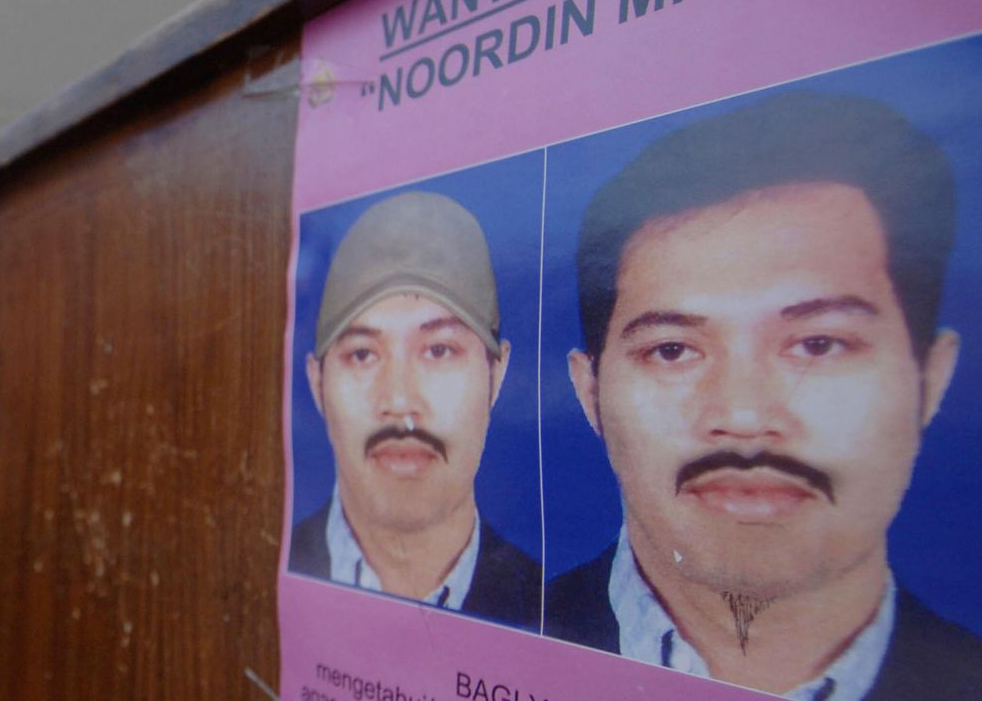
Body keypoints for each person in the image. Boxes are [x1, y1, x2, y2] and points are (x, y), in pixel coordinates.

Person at [547, 92, 982, 700]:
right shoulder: (491, 630)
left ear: (930, 380)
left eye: (819, 345)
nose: (744, 417)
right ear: (589, 393)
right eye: (672, 350)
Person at [288, 191, 539, 629]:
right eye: (363, 355)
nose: (400, 402)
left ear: (496, 375)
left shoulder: (554, 614)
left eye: (439, 350)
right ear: (317, 384)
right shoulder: (277, 570)